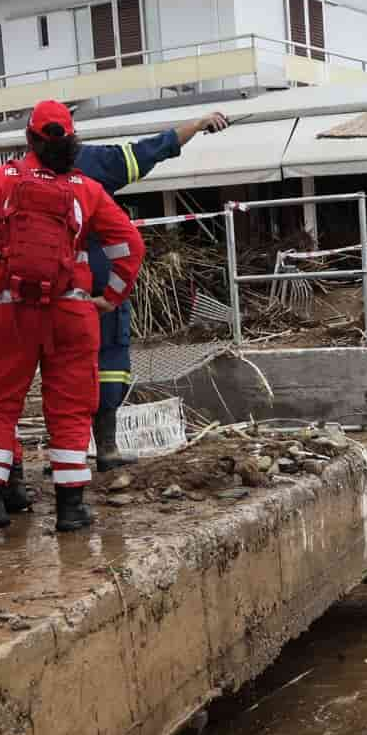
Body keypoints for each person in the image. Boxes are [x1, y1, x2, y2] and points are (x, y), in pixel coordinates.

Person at [0, 100, 145, 536]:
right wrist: (109, 297)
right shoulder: (87, 188)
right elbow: (129, 246)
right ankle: (71, 508)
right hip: (73, 310)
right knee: (70, 410)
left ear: (28, 138)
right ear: (72, 141)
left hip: (10, 310)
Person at [72, 112, 228, 471]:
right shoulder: (92, 163)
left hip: (53, 292)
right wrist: (200, 122)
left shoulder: (13, 174)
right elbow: (154, 149)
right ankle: (106, 450)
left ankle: (71, 453)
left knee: (63, 369)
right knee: (109, 361)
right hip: (99, 285)